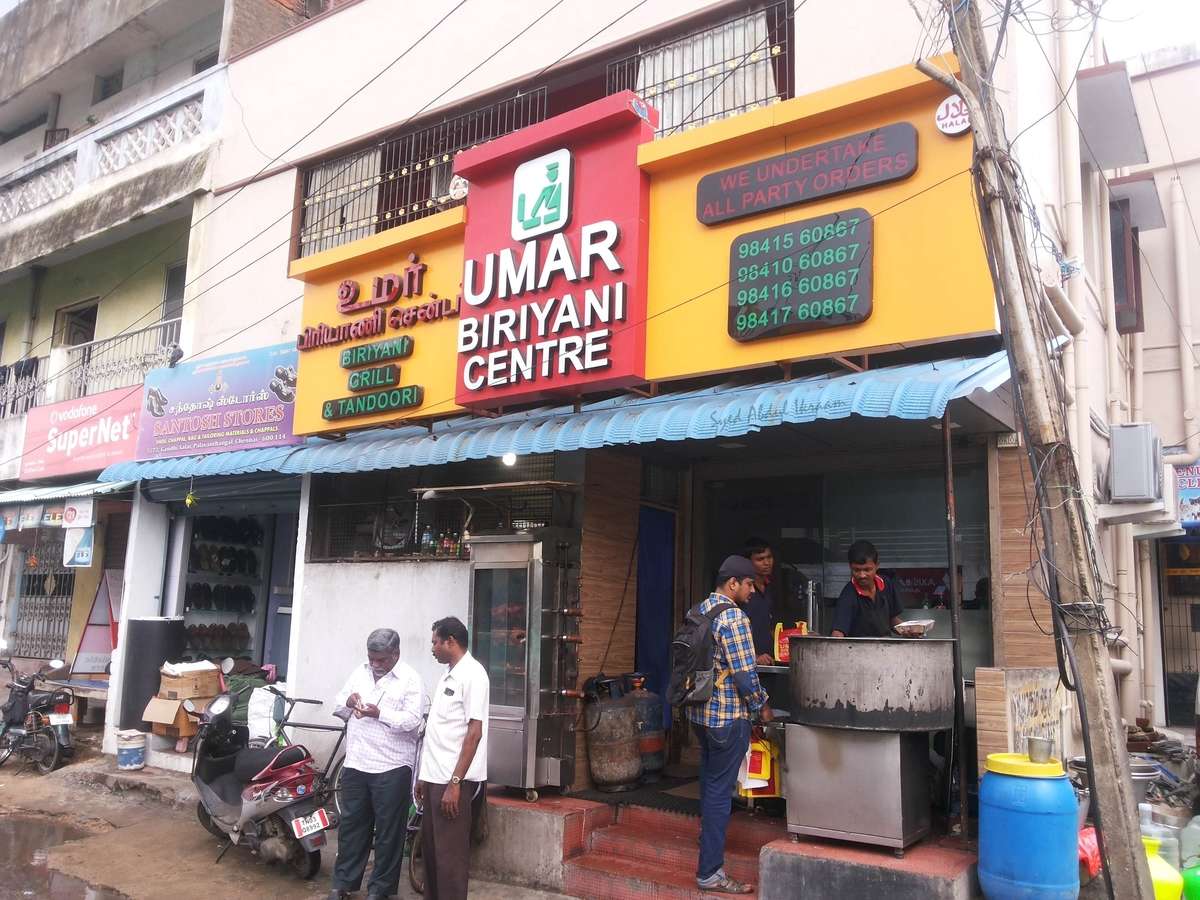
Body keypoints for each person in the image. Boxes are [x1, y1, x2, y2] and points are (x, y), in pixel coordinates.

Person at [686, 555, 772, 894]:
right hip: (726, 718)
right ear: (732, 583)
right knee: (721, 793)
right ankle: (710, 873)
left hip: (699, 716)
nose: (753, 588)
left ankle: (707, 843)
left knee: (710, 785)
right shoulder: (734, 617)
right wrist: (762, 707)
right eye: (749, 583)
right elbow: (745, 674)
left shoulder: (700, 609)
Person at [328, 628, 424, 900]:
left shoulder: (411, 680)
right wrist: (347, 702)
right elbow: (338, 704)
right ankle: (343, 884)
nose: (375, 664)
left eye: (381, 659)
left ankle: (380, 890)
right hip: (357, 762)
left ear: (396, 654)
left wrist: (380, 713)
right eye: (372, 658)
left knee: (388, 833)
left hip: (392, 767)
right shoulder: (359, 672)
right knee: (351, 827)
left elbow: (412, 721)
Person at [417, 616, 489, 900]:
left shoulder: (473, 674)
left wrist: (455, 783)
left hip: (455, 781)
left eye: (435, 642)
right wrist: (424, 776)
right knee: (433, 856)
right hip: (436, 778)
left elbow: (474, 733)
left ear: (451, 642)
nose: (432, 647)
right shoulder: (448, 674)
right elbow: (439, 733)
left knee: (450, 859)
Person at [742, 536, 807, 664]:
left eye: (769, 557)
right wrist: (754, 656)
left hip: (771, 660)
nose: (767, 562)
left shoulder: (772, 588)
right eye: (760, 559)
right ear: (748, 562)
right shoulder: (742, 592)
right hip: (749, 662)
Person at [830, 540, 904, 638]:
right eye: (856, 570)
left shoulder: (886, 584)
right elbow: (838, 633)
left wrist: (908, 630)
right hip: (860, 650)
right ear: (850, 567)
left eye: (867, 569)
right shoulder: (848, 595)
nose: (862, 575)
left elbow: (892, 619)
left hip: (886, 648)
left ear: (877, 565)